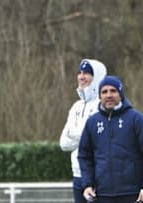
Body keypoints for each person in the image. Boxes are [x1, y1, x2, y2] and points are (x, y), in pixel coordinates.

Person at [78, 75, 143, 203]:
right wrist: (87, 184)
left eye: (113, 91)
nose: (109, 95)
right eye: (104, 92)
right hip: (102, 194)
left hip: (133, 194)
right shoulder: (92, 122)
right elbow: (84, 155)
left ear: (120, 94)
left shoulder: (136, 119)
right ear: (99, 96)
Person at [60, 59, 107, 203]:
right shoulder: (76, 107)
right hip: (77, 175)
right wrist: (83, 134)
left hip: (97, 176)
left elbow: (98, 139)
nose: (81, 76)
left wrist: (74, 134)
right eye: (80, 72)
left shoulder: (103, 105)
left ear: (97, 76)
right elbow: (64, 143)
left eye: (86, 73)